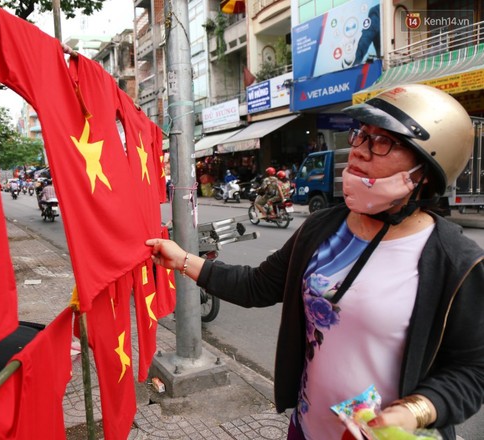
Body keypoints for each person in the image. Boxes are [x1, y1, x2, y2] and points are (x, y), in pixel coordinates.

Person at [146, 84, 484, 440]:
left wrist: (414, 411)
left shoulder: (455, 261)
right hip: (306, 429)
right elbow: (258, 286)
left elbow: (472, 371)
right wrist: (182, 260)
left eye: (383, 142)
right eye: (361, 135)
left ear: (427, 168)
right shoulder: (323, 227)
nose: (359, 152)